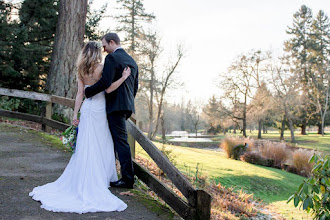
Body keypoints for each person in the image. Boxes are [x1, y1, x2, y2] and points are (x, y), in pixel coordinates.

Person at [29, 41, 130, 213]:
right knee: (102, 143)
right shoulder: (101, 67)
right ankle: (101, 178)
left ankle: (87, 178)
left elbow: (79, 94)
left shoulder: (81, 69)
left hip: (87, 109)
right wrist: (123, 77)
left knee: (86, 145)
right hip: (99, 110)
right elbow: (108, 89)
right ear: (97, 52)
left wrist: (75, 114)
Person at [85, 33, 138, 189]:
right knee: (117, 140)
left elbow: (106, 82)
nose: (104, 49)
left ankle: (127, 179)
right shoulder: (131, 60)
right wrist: (127, 102)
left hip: (115, 106)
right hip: (126, 106)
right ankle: (115, 173)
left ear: (112, 42)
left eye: (105, 45)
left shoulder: (112, 58)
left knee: (121, 142)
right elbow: (135, 87)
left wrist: (89, 92)